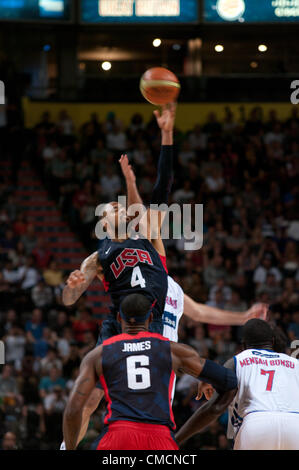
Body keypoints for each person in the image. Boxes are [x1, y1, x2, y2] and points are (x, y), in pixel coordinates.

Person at [63, 293, 237, 450]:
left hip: (118, 437)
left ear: (118, 318)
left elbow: (73, 410)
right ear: (151, 318)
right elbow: (229, 380)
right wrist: (206, 377)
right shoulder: (173, 351)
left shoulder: (98, 355)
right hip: (160, 439)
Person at [62, 103, 177, 339]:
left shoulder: (148, 236)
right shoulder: (98, 258)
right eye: (113, 208)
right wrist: (71, 288)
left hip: (152, 320)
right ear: (103, 224)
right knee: (92, 369)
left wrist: (166, 134)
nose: (121, 209)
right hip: (119, 323)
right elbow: (70, 300)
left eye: (121, 206)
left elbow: (162, 186)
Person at [175, 319, 299, 450]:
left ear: (244, 345)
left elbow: (215, 408)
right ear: (272, 342)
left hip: (256, 423)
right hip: (295, 425)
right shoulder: (295, 364)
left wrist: (177, 439)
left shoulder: (238, 361)